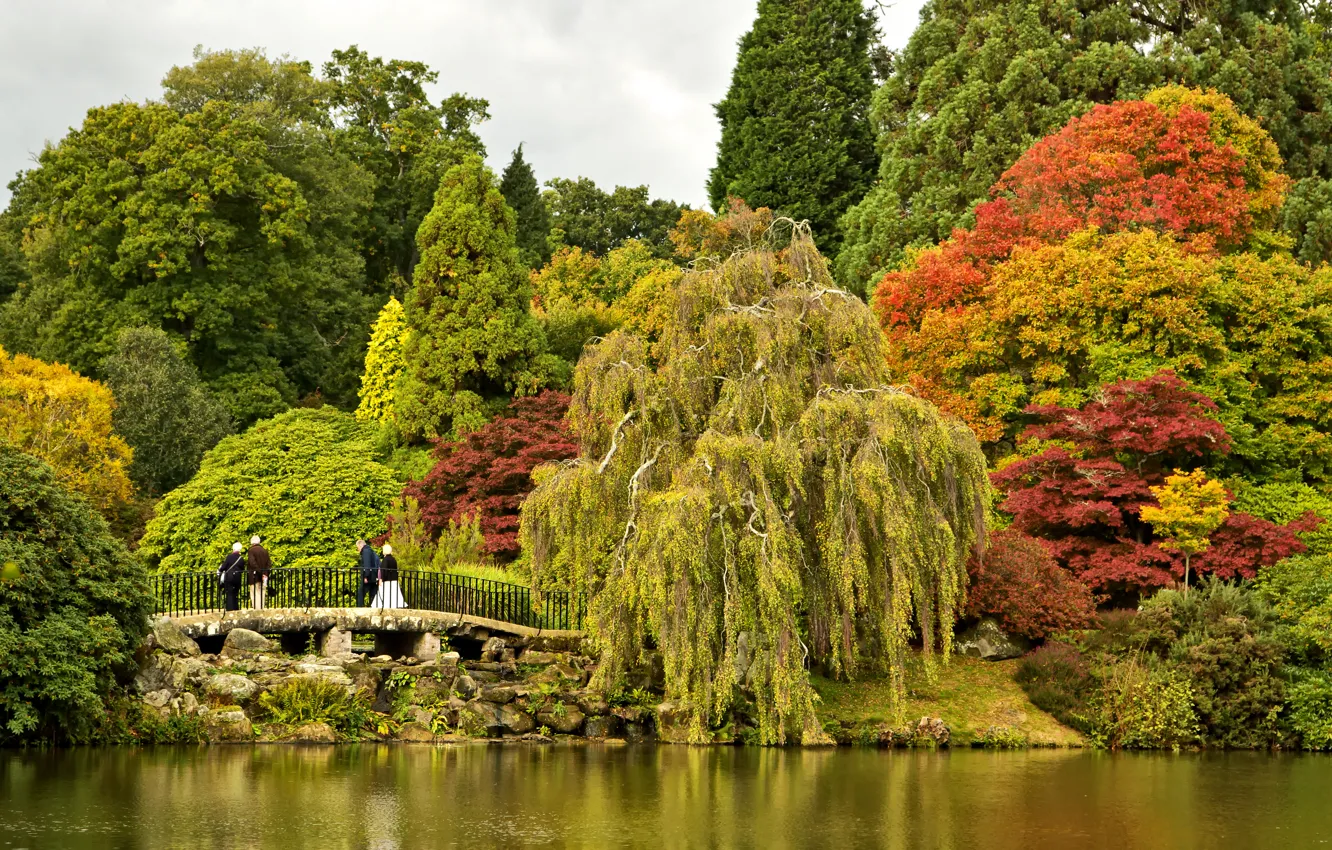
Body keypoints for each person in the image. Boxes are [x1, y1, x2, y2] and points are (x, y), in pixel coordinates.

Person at [372, 543, 405, 609]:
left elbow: (384, 570)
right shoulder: (393, 559)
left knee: (385, 594)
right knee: (393, 595)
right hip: (394, 580)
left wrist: (381, 579)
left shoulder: (385, 559)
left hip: (387, 581)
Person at [246, 535, 272, 610]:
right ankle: (262, 608)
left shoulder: (251, 550)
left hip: (255, 576)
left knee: (254, 593)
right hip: (264, 577)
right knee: (262, 593)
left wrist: (260, 572)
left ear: (252, 542)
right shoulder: (264, 550)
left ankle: (257, 610)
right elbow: (269, 564)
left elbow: (252, 563)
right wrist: (265, 574)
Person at [218, 542, 245, 612]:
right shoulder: (241, 558)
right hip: (237, 578)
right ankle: (236, 608)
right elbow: (242, 569)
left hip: (229, 577)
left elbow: (224, 566)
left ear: (233, 548)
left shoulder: (229, 557)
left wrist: (219, 570)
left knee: (229, 593)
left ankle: (230, 609)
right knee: (235, 593)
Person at [355, 539, 379, 607]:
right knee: (373, 594)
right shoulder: (371, 551)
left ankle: (359, 608)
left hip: (369, 577)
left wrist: (366, 576)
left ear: (360, 546)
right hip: (374, 576)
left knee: (361, 593)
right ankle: (373, 608)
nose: (358, 550)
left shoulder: (365, 551)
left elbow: (367, 564)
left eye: (358, 548)